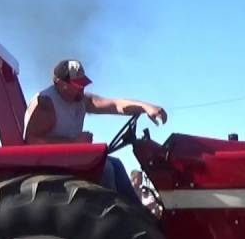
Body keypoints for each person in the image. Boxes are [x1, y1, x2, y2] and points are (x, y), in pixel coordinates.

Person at [23, 58, 166, 204]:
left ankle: (136, 213)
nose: (82, 88)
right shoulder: (46, 104)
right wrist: (73, 143)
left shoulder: (80, 99)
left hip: (70, 160)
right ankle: (115, 218)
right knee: (106, 170)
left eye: (83, 84)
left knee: (115, 164)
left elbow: (115, 105)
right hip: (50, 165)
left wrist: (145, 107)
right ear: (61, 83)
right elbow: (32, 141)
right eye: (77, 84)